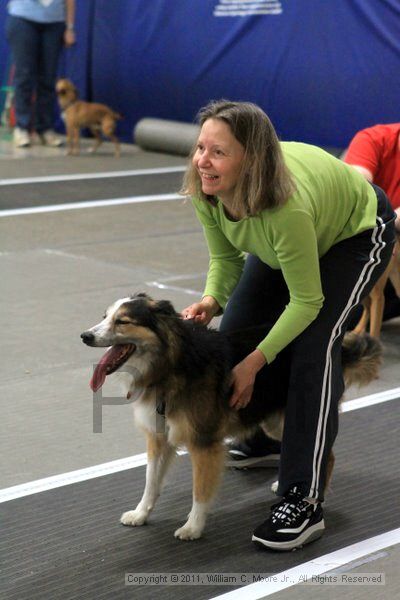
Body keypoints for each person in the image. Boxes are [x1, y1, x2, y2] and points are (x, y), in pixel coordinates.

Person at [181, 100, 395, 551]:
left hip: (355, 233)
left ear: (251, 160)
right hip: (293, 236)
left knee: (314, 347)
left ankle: (304, 496)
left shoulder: (286, 208)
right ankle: (259, 439)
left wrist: (256, 363)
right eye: (201, 147)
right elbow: (224, 258)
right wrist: (211, 299)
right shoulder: (210, 189)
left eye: (217, 152)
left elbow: (306, 302)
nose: (203, 160)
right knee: (234, 331)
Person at [6, 0, 76, 148]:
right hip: (23, 18)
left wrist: (69, 27)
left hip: (54, 22)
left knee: (48, 78)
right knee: (24, 76)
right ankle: (22, 128)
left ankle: (45, 129)